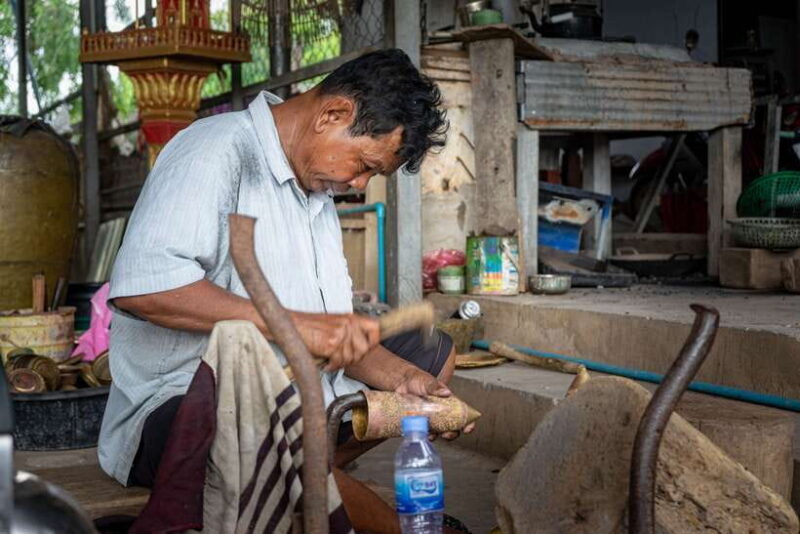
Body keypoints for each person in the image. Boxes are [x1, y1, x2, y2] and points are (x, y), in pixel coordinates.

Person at [100, 48, 470, 532]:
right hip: (185, 404)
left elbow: (332, 339)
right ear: (333, 114)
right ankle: (366, 513)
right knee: (263, 434)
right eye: (363, 164)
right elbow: (144, 291)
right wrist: (293, 325)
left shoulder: (315, 192)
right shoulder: (215, 151)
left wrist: (405, 380)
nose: (358, 183)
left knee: (430, 355)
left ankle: (299, 476)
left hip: (298, 398)